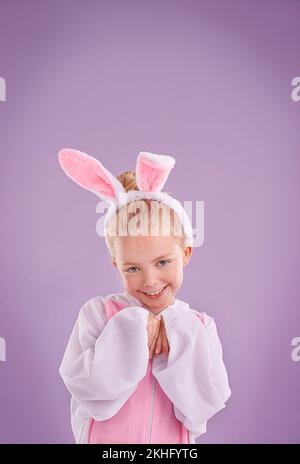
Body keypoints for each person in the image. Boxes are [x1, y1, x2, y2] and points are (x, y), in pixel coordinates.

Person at [58, 148, 231, 444]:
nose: (149, 281)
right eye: (133, 268)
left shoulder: (200, 326)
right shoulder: (98, 315)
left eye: (162, 262)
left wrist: (179, 335)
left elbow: (203, 406)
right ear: (117, 265)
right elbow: (87, 390)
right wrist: (129, 330)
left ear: (185, 253)